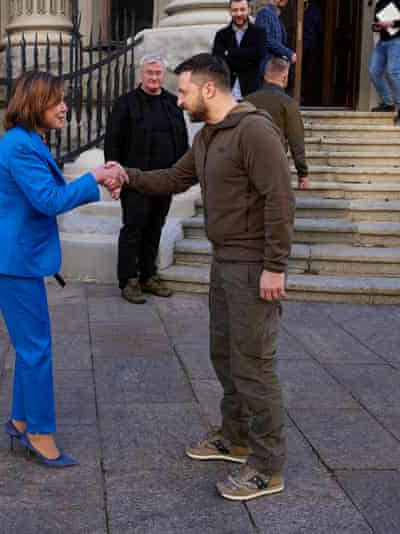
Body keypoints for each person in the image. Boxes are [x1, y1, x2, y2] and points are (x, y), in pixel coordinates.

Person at [115, 53, 294, 501]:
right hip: (225, 263)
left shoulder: (255, 132)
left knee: (254, 367)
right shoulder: (210, 136)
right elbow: (175, 178)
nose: (179, 100)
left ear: (209, 90)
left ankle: (268, 466)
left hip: (254, 266)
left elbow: (280, 199)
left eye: (184, 91)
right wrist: (127, 176)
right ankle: (234, 437)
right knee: (225, 357)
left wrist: (275, 265)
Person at [0, 71, 125, 468]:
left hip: (15, 257)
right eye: (56, 100)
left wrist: (98, 175)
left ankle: (22, 419)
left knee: (32, 346)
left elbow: (46, 193)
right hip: (13, 260)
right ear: (33, 104)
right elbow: (48, 200)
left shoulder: (26, 141)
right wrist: (94, 176)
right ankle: (39, 432)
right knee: (36, 348)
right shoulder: (21, 146)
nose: (64, 107)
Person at [104, 53, 189, 304]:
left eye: (158, 73)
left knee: (155, 228)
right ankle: (129, 280)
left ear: (164, 74)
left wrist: (182, 176)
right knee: (133, 228)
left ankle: (149, 276)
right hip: (134, 180)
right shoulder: (125, 103)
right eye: (149, 73)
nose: (154, 77)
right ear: (142, 74)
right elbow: (113, 143)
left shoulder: (174, 103)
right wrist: (114, 177)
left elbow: (182, 140)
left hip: (165, 180)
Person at [246, 56, 309, 189]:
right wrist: (302, 172)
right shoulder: (288, 103)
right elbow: (296, 141)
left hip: (246, 164)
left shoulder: (247, 101)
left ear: (265, 76)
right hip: (275, 164)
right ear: (285, 78)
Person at [369, 0, 400, 125]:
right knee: (374, 72)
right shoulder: (380, 3)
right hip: (383, 42)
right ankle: (388, 103)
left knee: (393, 71)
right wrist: (377, 26)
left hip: (399, 40)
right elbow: (376, 22)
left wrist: (392, 22)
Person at [212, 0, 267, 100]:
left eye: (242, 10)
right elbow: (218, 61)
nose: (239, 14)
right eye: (235, 10)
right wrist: (247, 57)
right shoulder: (221, 35)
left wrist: (230, 52)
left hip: (251, 91)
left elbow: (258, 55)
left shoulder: (259, 33)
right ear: (230, 11)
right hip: (226, 91)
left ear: (249, 10)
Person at [255, 0, 294, 73]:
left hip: (274, 69)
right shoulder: (264, 13)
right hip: (265, 70)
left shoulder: (275, 14)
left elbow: (277, 42)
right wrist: (288, 53)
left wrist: (283, 55)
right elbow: (266, 40)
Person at [301, 0, 324, 105]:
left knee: (308, 73)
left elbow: (319, 29)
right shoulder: (295, 8)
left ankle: (306, 99)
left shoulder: (315, 10)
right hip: (296, 47)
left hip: (310, 47)